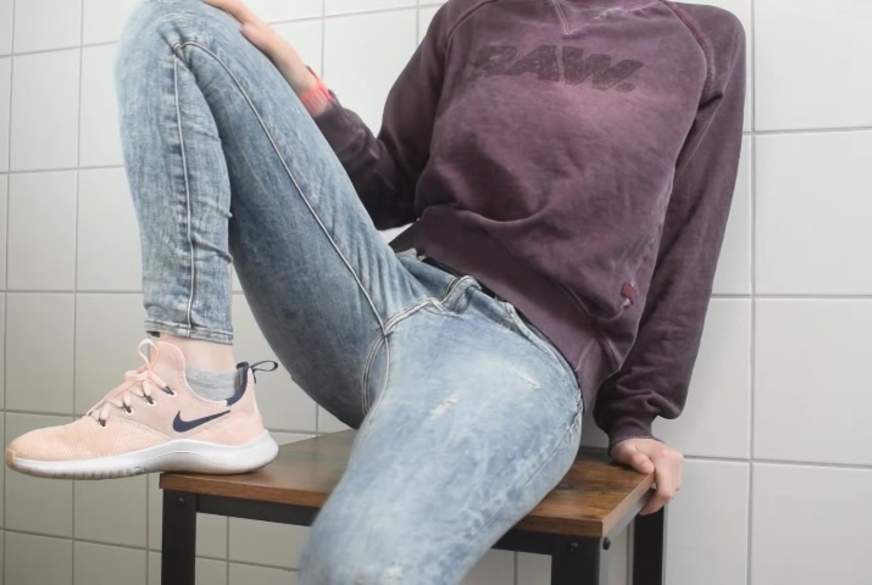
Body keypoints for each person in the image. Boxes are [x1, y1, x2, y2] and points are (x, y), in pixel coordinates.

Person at [5, 0, 745, 581]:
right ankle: (197, 384)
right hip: (380, 290)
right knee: (178, 26)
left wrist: (635, 416)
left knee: (359, 564)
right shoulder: (471, 17)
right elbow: (386, 188)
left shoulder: (703, 40)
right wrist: (303, 82)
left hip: (519, 354)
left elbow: (689, 240)